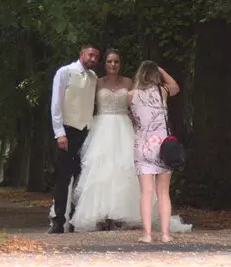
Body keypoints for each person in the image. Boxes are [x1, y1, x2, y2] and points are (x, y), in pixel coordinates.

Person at [66, 49, 141, 230]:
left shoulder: (129, 82)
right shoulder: (97, 82)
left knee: (123, 169)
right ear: (105, 64)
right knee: (100, 169)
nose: (113, 65)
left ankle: (121, 214)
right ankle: (100, 214)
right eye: (109, 62)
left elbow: (136, 107)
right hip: (101, 127)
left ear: (120, 64)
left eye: (116, 62)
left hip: (123, 127)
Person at [49, 43, 100, 234]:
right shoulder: (65, 72)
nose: (93, 59)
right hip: (67, 130)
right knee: (63, 177)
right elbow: (56, 104)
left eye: (96, 56)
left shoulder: (94, 77)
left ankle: (76, 219)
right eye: (90, 55)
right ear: (81, 54)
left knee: (82, 177)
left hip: (86, 131)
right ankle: (58, 220)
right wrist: (59, 132)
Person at [130, 60, 181, 244]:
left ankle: (147, 234)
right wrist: (161, 69)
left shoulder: (131, 95)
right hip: (163, 147)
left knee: (146, 192)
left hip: (142, 147)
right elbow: (175, 87)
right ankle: (166, 234)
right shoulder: (163, 92)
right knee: (163, 193)